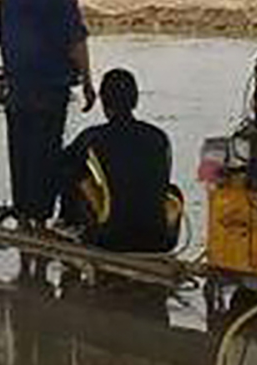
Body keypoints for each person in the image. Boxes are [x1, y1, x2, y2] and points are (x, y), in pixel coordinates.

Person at [0, 0, 96, 226]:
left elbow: (3, 36)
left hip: (17, 88)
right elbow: (75, 38)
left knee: (21, 157)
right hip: (51, 89)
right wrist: (89, 82)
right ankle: (40, 224)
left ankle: (24, 223)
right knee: (46, 155)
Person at [59, 68, 181, 252]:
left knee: (71, 170)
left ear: (103, 102)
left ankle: (70, 224)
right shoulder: (159, 137)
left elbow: (61, 164)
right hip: (160, 240)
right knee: (172, 191)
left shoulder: (93, 137)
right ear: (135, 100)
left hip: (108, 239)